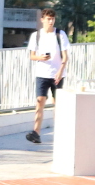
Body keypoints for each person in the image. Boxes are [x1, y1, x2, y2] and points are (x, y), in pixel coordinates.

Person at [26, 8, 70, 144]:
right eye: (48, 19)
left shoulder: (60, 34)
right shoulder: (36, 36)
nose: (51, 21)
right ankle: (36, 133)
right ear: (42, 20)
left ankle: (60, 133)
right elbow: (32, 56)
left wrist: (60, 71)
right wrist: (41, 57)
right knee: (39, 102)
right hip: (42, 74)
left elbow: (65, 56)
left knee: (57, 104)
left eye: (53, 19)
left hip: (57, 75)